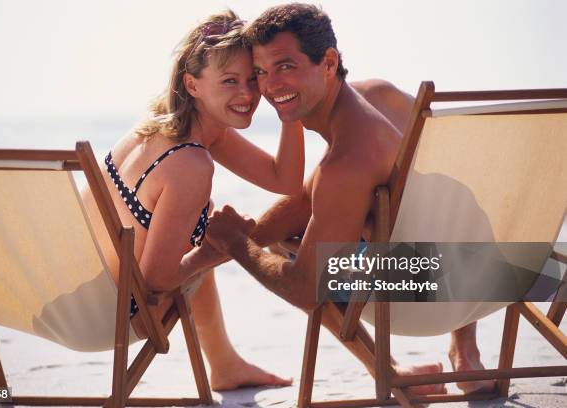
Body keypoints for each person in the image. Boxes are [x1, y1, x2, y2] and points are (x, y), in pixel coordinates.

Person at [184, 3, 495, 395]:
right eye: (261, 72)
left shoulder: (346, 162)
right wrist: (227, 245)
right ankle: (465, 350)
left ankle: (390, 370)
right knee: (316, 234)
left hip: (429, 298)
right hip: (494, 272)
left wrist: (237, 244)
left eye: (285, 66)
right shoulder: (380, 98)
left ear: (328, 62)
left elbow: (304, 288)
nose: (269, 86)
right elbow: (307, 200)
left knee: (295, 256)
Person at [80, 10, 298, 391]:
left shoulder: (155, 128)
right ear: (192, 85)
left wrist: (288, 106)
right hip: (118, 316)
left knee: (200, 223)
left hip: (74, 299)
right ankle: (225, 362)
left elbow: (285, 178)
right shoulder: (190, 162)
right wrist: (220, 250)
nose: (247, 94)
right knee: (206, 234)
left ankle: (224, 363)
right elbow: (156, 281)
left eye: (254, 79)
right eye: (229, 81)